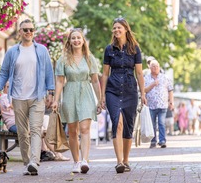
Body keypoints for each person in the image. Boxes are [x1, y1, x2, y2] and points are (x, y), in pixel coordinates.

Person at [0, 19, 55, 176]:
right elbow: (3, 73)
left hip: (37, 96)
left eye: (31, 29)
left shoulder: (42, 50)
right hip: (18, 97)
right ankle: (27, 163)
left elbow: (49, 72)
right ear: (20, 32)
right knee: (23, 133)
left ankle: (34, 162)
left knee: (36, 130)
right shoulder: (12, 52)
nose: (29, 32)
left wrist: (50, 92)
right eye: (25, 30)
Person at [51, 28, 101, 174]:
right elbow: (60, 81)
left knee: (85, 129)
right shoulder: (63, 60)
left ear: (83, 40)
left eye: (79, 38)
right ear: (70, 41)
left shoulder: (90, 58)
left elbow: (95, 80)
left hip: (86, 93)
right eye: (73, 38)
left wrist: (100, 100)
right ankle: (76, 161)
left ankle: (85, 161)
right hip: (70, 94)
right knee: (73, 131)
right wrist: (56, 100)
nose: (76, 40)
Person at [100, 17, 146, 173]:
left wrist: (143, 93)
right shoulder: (109, 49)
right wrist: (102, 96)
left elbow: (139, 73)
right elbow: (105, 74)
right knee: (117, 123)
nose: (116, 30)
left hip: (130, 90)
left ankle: (126, 160)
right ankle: (119, 161)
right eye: (114, 28)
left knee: (128, 126)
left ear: (126, 29)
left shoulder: (135, 48)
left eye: (119, 27)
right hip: (112, 89)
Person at [145, 59, 174, 148]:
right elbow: (144, 90)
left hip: (162, 105)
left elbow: (170, 90)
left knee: (161, 123)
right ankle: (153, 141)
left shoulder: (165, 77)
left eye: (157, 66)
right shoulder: (146, 78)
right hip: (151, 105)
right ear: (150, 68)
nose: (155, 68)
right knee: (152, 124)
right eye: (153, 66)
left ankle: (162, 140)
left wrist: (171, 102)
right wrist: (153, 84)